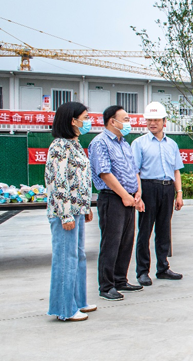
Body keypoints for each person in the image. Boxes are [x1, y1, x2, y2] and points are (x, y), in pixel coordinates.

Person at [45, 102, 95, 322]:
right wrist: (65, 214)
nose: (88, 121)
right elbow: (58, 182)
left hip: (77, 210)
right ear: (73, 121)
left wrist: (86, 207)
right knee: (66, 259)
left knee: (78, 256)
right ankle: (64, 309)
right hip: (64, 212)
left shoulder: (75, 145)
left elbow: (81, 180)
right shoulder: (59, 146)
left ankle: (79, 301)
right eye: (85, 117)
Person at [89, 105, 144, 301]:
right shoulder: (100, 143)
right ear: (113, 121)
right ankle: (106, 286)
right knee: (111, 242)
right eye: (126, 119)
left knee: (126, 241)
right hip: (112, 198)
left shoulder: (124, 143)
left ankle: (120, 279)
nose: (129, 123)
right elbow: (104, 173)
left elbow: (134, 170)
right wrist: (123, 195)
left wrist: (138, 192)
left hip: (129, 197)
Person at [131, 102, 184, 286]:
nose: (152, 123)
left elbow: (176, 170)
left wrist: (179, 193)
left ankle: (163, 268)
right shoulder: (139, 143)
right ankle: (142, 271)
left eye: (156, 120)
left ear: (164, 122)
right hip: (148, 188)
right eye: (149, 120)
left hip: (167, 188)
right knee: (145, 231)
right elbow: (135, 171)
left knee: (164, 230)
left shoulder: (172, 144)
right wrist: (138, 194)